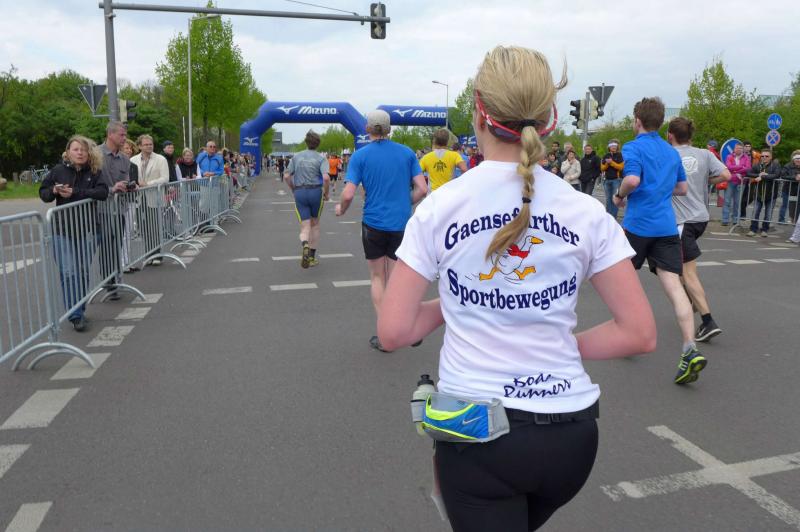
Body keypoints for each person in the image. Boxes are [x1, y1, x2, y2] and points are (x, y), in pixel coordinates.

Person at [377, 46, 656, 531]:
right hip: (571, 437)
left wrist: (455, 299)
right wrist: (560, 346)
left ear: (478, 110)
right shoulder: (586, 211)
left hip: (479, 437)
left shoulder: (441, 207)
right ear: (549, 118)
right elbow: (640, 334)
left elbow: (394, 331)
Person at [612, 97, 706, 385]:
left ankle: (631, 335)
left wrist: (620, 196)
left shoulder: (633, 147)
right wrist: (660, 189)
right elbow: (682, 188)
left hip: (638, 226)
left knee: (623, 282)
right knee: (674, 287)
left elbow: (632, 180)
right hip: (666, 227)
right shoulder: (671, 152)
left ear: (638, 121)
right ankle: (689, 349)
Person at [335, 109, 427, 351]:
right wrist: (406, 202)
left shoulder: (360, 156)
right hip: (401, 223)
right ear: (389, 129)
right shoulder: (407, 153)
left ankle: (387, 334)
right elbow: (422, 188)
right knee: (397, 279)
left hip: (373, 223)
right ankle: (406, 325)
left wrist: (341, 209)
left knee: (378, 278)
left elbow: (348, 193)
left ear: (368, 129)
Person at [668, 117, 730, 342]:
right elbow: (726, 175)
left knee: (687, 272)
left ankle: (707, 321)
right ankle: (692, 300)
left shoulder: (669, 155)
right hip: (701, 217)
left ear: (670, 135)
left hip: (682, 220)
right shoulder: (705, 154)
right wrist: (706, 182)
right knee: (673, 267)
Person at [39, 136, 109, 331]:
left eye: (83, 150)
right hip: (62, 230)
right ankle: (75, 315)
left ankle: (79, 308)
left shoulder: (95, 171)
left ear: (88, 153)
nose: (80, 153)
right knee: (69, 271)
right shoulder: (57, 170)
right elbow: (43, 193)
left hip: (88, 230)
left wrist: (76, 192)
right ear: (68, 152)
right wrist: (54, 190)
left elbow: (103, 193)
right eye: (76, 149)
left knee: (82, 271)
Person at [284, 130, 330, 268]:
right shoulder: (321, 158)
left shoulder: (296, 157)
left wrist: (293, 188)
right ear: (318, 144)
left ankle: (304, 244)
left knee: (305, 226)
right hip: (315, 191)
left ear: (306, 142)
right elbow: (326, 178)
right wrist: (326, 193)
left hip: (300, 191)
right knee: (315, 224)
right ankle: (311, 257)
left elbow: (286, 176)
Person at [98, 121, 132, 300]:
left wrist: (129, 186)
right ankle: (109, 283)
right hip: (101, 209)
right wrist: (112, 189)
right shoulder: (95, 154)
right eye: (121, 134)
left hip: (119, 209)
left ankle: (115, 279)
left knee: (116, 246)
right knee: (105, 247)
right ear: (110, 134)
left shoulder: (125, 159)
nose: (124, 138)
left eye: (125, 135)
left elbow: (125, 180)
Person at [130, 134, 170, 265]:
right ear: (139, 146)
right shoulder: (133, 159)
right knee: (143, 228)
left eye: (150, 144)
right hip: (139, 198)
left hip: (154, 197)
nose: (149, 146)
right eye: (146, 144)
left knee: (154, 227)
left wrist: (148, 183)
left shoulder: (161, 159)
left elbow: (165, 178)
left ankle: (157, 254)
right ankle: (149, 254)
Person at [745, 148, 781, 237]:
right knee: (755, 212)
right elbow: (748, 173)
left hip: (771, 194)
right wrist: (758, 175)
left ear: (771, 157)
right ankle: (753, 229)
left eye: (766, 156)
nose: (764, 157)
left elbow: (776, 175)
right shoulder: (757, 165)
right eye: (762, 156)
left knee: (768, 214)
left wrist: (763, 177)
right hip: (758, 193)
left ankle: (764, 230)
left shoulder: (775, 165)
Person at [722, 142, 751, 226]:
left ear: (743, 149)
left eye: (741, 148)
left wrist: (734, 171)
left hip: (741, 182)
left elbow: (748, 168)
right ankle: (725, 220)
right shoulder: (729, 156)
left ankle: (735, 220)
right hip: (730, 181)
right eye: (737, 148)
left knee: (737, 202)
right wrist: (741, 167)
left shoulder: (746, 157)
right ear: (734, 149)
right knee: (727, 201)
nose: (739, 150)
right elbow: (728, 167)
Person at [601, 139, 624, 218]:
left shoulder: (620, 155)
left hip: (616, 180)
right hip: (607, 180)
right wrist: (607, 164)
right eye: (612, 146)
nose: (613, 147)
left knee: (615, 199)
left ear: (617, 147)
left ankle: (613, 217)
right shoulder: (606, 155)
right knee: (608, 200)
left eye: (615, 146)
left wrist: (612, 163)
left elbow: (621, 167)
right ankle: (608, 217)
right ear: (609, 147)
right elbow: (602, 168)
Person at [778, 150, 800, 224]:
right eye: (796, 158)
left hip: (797, 190)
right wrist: (794, 177)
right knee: (785, 205)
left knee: (795, 205)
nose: (798, 160)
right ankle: (781, 220)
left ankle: (794, 220)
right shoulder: (787, 166)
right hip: (787, 189)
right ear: (793, 158)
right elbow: (783, 175)